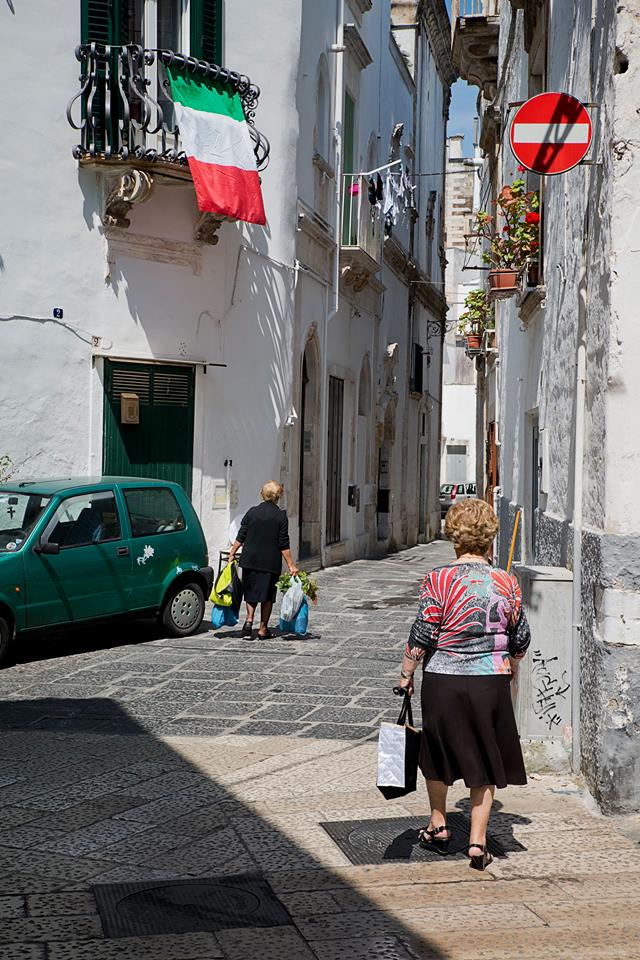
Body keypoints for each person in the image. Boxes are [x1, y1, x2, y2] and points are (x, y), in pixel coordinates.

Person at [397, 498, 531, 871]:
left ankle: (438, 825)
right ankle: (477, 842)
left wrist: (407, 673)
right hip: (490, 680)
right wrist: (512, 663)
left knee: (437, 752)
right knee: (485, 754)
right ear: (489, 537)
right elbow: (520, 637)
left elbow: (423, 631)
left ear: (453, 536)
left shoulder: (437, 579)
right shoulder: (506, 581)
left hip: (443, 680)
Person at [228, 481, 299, 640]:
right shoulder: (280, 516)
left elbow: (241, 535)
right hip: (270, 562)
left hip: (250, 559)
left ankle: (249, 620)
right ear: (278, 496)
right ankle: (262, 629)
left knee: (251, 592)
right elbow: (283, 543)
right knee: (267, 596)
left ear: (263, 494)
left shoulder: (252, 512)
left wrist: (232, 552)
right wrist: (291, 564)